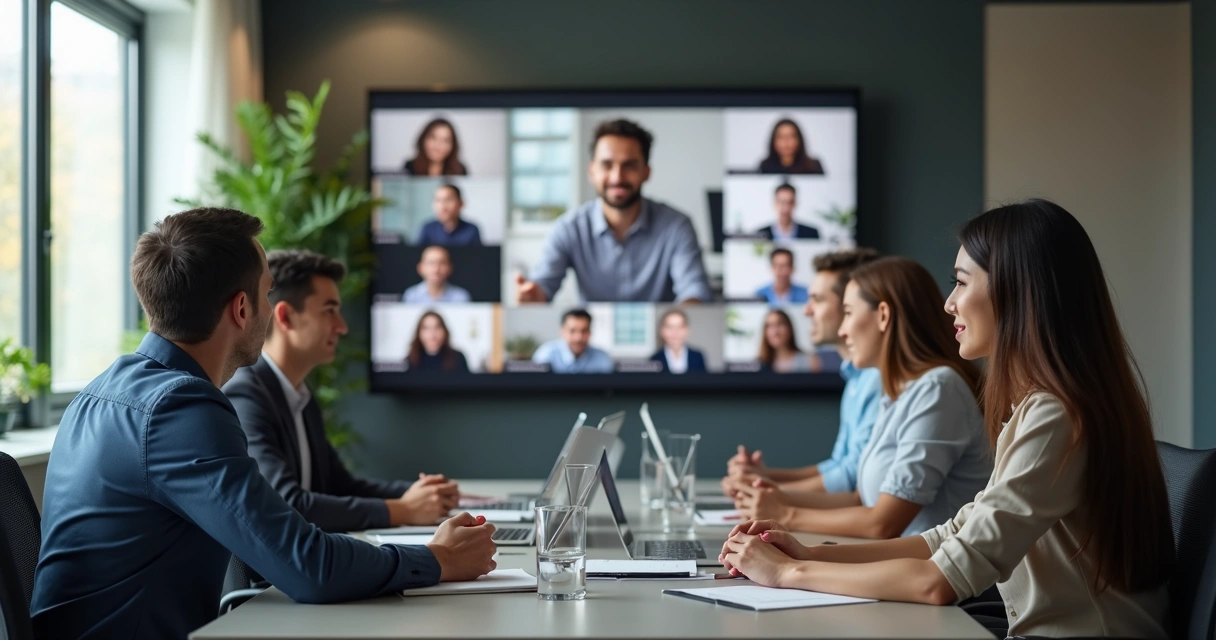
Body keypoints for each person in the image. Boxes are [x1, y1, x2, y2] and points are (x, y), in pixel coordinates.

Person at [30, 208, 496, 639]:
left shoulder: (100, 391)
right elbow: (306, 566)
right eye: (267, 292)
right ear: (240, 309)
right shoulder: (180, 409)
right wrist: (437, 559)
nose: (271, 308)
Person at [720, 200, 1174, 639]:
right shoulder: (1043, 407)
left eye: (961, 282)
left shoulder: (1055, 415)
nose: (949, 304)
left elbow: (938, 581)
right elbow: (952, 535)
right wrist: (810, 552)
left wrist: (789, 572)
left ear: (1018, 289)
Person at [731, 257, 991, 539]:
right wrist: (773, 497)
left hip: (931, 577)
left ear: (882, 315)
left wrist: (785, 514)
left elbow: (882, 524)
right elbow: (860, 499)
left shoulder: (938, 388)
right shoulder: (900, 393)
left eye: (849, 312)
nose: (843, 330)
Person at [223, 249, 461, 534]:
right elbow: (285, 503)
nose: (342, 327)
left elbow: (340, 485)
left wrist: (423, 492)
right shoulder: (247, 395)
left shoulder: (300, 395)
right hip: (268, 580)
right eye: (330, 311)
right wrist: (404, 509)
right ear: (285, 317)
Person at [723, 248, 882, 496]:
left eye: (817, 300)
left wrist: (770, 493)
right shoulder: (854, 376)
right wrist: (762, 478)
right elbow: (838, 465)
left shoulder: (877, 378)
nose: (807, 310)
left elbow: (851, 476)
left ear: (850, 304)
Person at [515, 119, 711, 303]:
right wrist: (533, 297)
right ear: (592, 171)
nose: (617, 177)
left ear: (646, 172)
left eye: (630, 166)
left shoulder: (677, 226)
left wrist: (682, 319)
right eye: (607, 165)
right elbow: (543, 285)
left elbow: (694, 289)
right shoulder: (568, 228)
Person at [531, 309, 613, 374]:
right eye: (572, 331)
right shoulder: (546, 354)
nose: (578, 338)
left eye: (584, 331)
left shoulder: (602, 358)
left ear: (590, 332)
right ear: (562, 331)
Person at [416, 183, 482, 246]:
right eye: (438, 200)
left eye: (448, 200)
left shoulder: (471, 230)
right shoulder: (427, 228)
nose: (442, 206)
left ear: (461, 203)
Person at [402, 245, 471, 304]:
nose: (436, 269)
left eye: (442, 263)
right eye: (431, 263)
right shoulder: (410, 296)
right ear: (420, 268)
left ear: (450, 267)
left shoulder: (461, 297)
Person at [403, 117, 467, 176]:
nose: (438, 146)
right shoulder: (409, 168)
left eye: (445, 140)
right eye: (433, 138)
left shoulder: (460, 170)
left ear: (453, 145)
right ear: (423, 139)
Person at [649, 308, 707, 373]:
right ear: (662, 331)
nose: (675, 332)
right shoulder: (654, 359)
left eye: (680, 327)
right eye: (670, 327)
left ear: (687, 330)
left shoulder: (697, 357)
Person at [757, 118, 825, 175]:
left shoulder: (813, 167)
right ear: (773, 141)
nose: (786, 142)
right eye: (781, 137)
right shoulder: (765, 167)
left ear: (799, 139)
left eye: (791, 136)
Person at [757, 308, 815, 373]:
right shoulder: (758, 365)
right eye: (770, 326)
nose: (775, 331)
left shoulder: (808, 361)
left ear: (789, 328)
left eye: (780, 324)